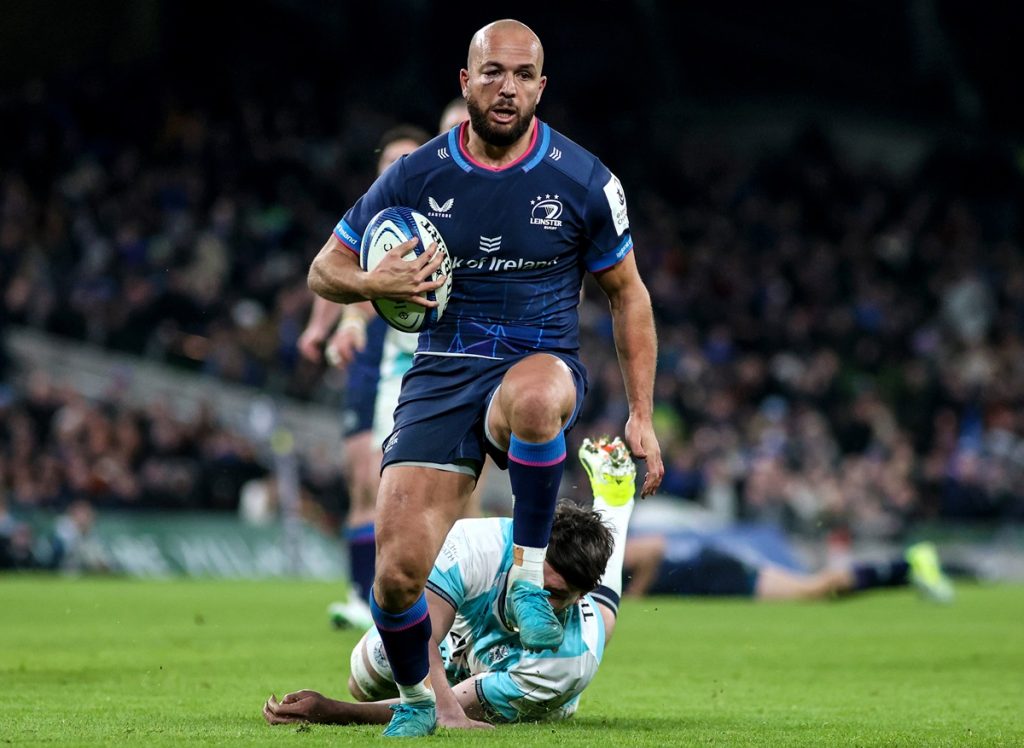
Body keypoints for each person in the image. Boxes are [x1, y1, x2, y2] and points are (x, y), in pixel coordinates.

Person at [307, 19, 663, 736]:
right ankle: (419, 704)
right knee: (397, 576)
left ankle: (530, 574)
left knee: (536, 401)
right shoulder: (417, 174)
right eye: (493, 73)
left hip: (539, 359)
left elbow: (629, 295)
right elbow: (324, 269)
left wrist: (642, 417)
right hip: (442, 373)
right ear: (465, 82)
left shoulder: (583, 180)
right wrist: (376, 281)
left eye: (524, 75)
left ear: (542, 87)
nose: (508, 89)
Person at [263, 437, 637, 731]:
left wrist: (333, 712)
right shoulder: (480, 542)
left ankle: (615, 501)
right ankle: (615, 501)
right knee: (364, 678)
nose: (541, 598)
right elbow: (422, 634)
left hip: (519, 669)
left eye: (556, 595)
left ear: (576, 594)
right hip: (462, 627)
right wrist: (429, 701)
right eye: (538, 582)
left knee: (599, 625)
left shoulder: (566, 662)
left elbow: (458, 703)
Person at [299, 125, 432, 630]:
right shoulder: (372, 218)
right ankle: (363, 593)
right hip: (378, 360)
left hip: (436, 358)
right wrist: (331, 327)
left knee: (440, 493)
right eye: (392, 159)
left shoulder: (438, 214)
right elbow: (333, 273)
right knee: (364, 477)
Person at [623, 531, 956, 603]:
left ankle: (909, 563)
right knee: (818, 591)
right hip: (715, 576)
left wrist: (636, 595)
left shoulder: (603, 556)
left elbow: (653, 548)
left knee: (813, 590)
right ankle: (907, 573)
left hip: (718, 571)